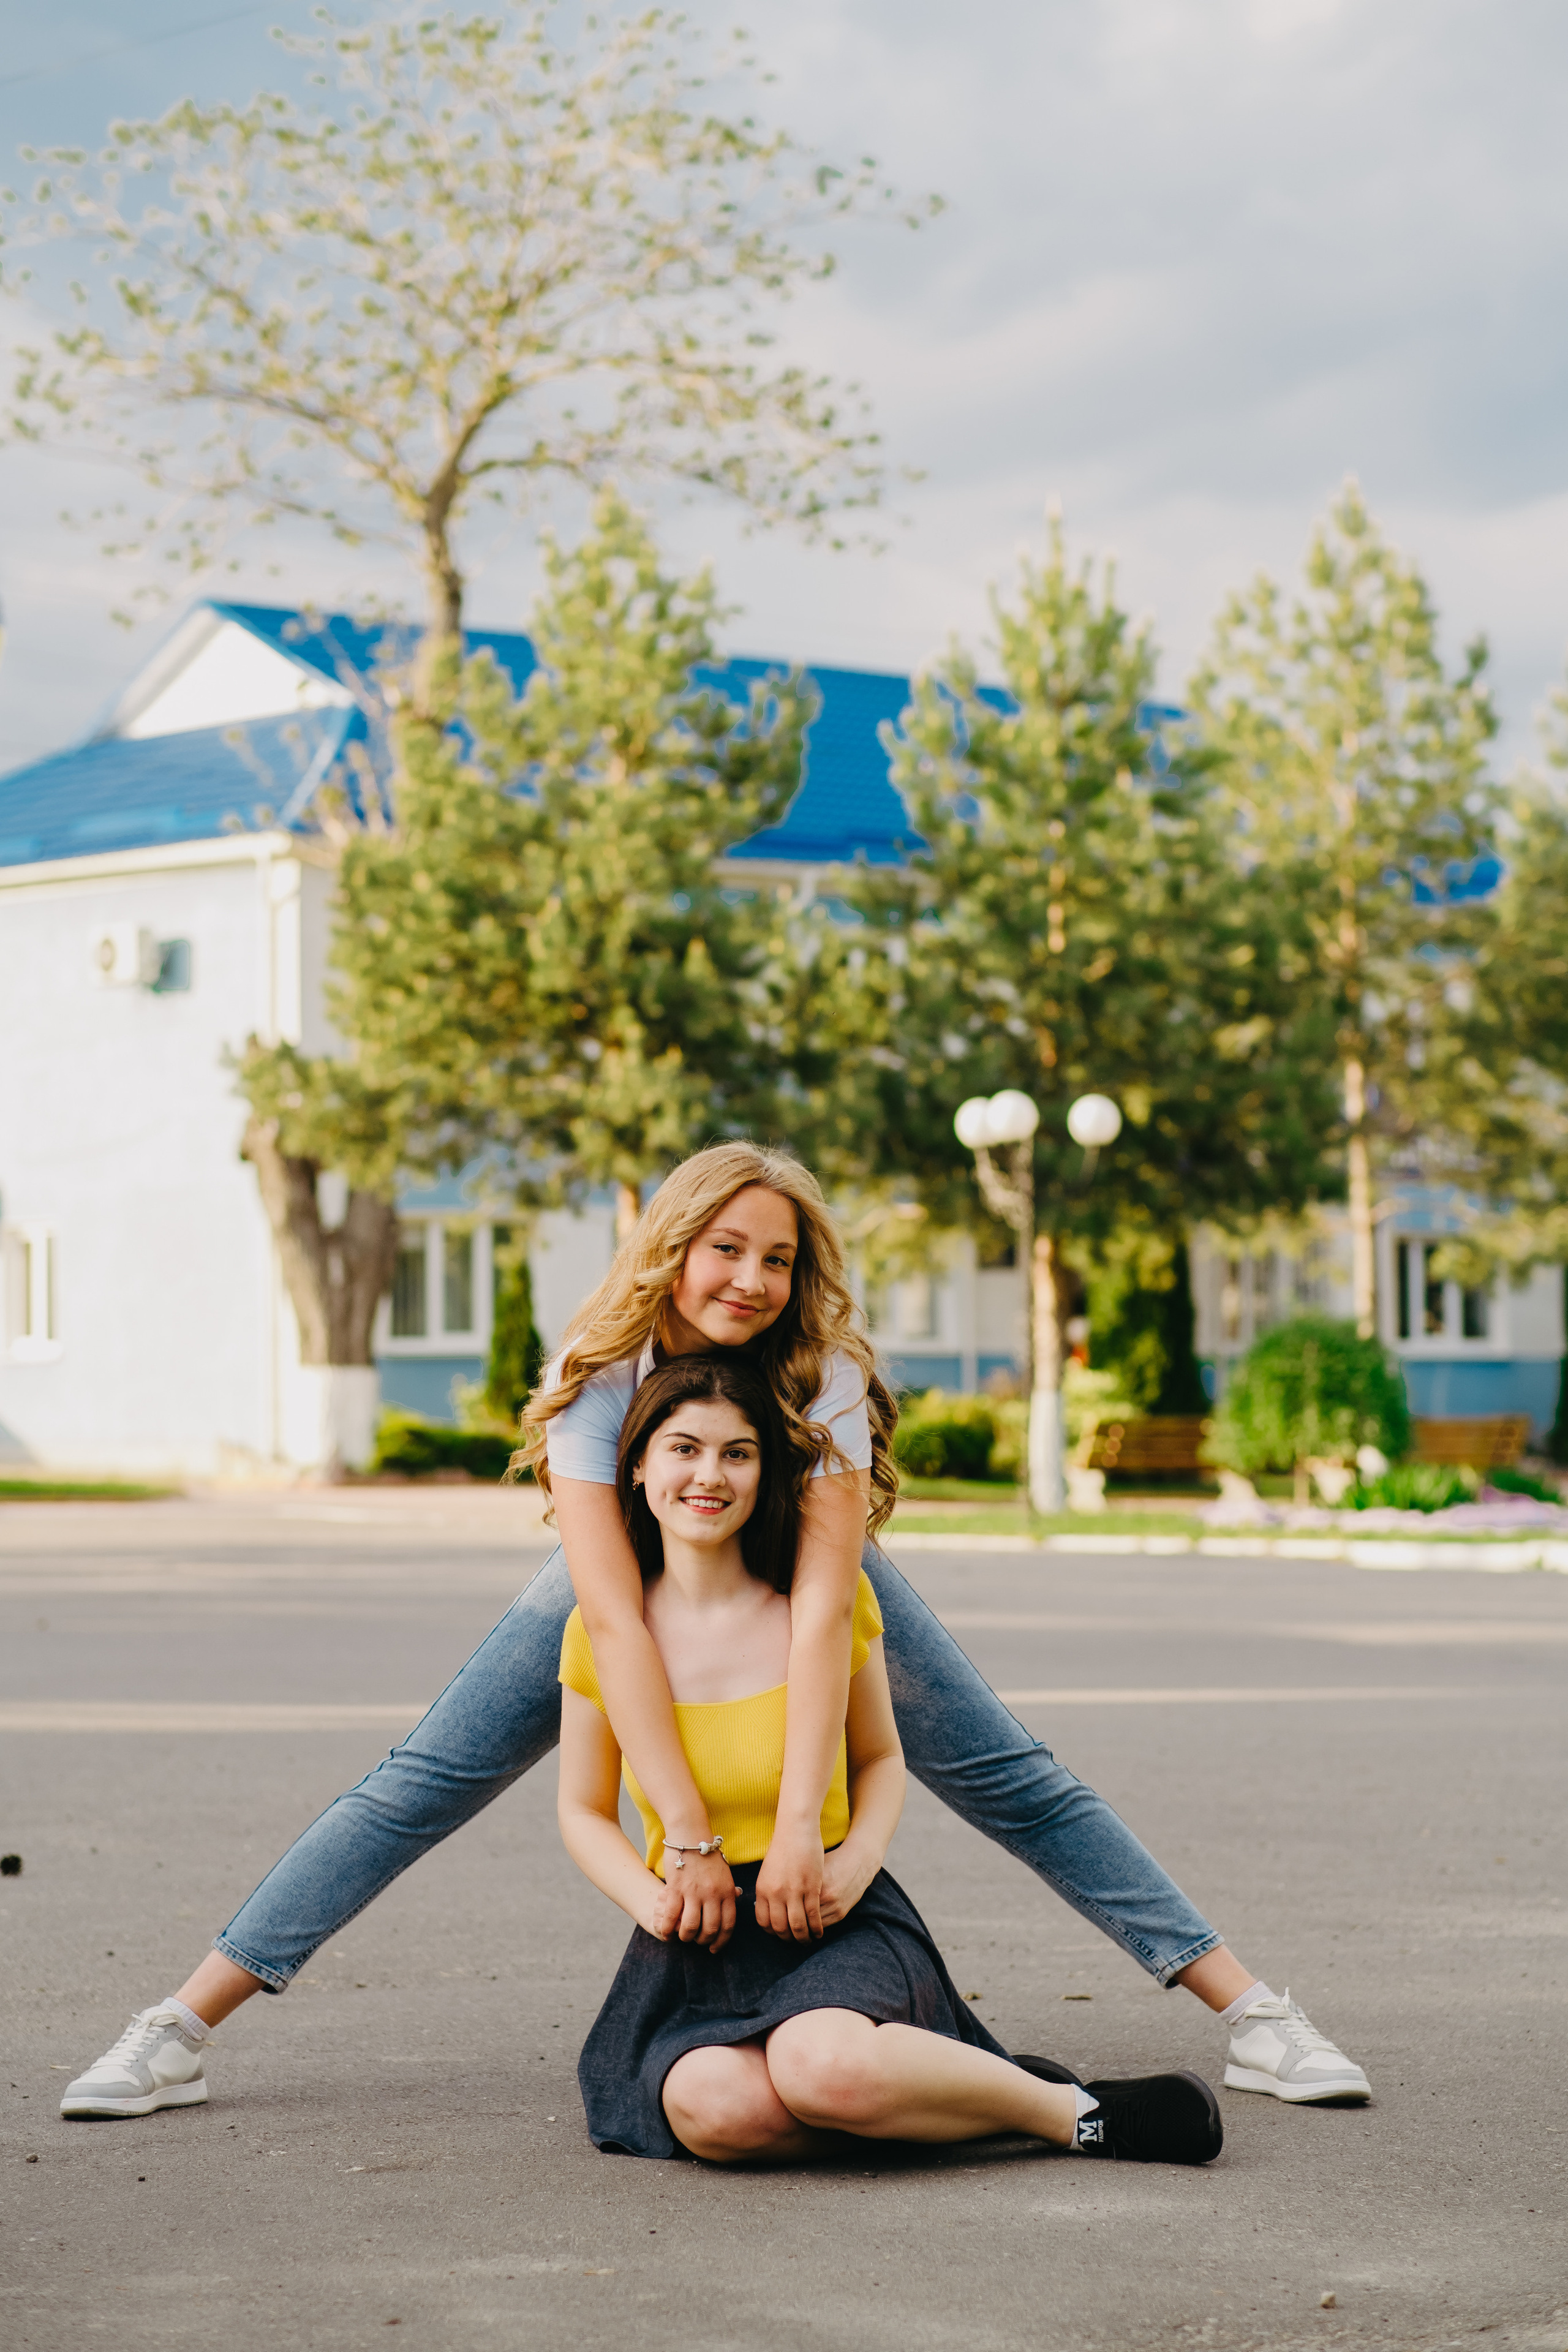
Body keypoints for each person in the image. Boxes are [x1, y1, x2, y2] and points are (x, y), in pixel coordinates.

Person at [60, 1142, 1370, 2121]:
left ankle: (1250, 2013)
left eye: (778, 1256)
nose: (750, 1279)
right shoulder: (601, 1369)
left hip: (796, 1575)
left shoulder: (826, 1374)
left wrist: (803, 1825)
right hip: (632, 1584)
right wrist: (685, 1829)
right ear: (674, 1247)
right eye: (725, 1248)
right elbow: (612, 1616)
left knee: (1008, 1775)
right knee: (419, 1785)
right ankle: (177, 2026)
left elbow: (818, 1614)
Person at [558, 1352, 1223, 2165]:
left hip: (834, 1917)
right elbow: (583, 1810)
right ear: (635, 1465)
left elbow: (879, 1760)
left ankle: (1071, 2112)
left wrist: (856, 1862)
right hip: (700, 1937)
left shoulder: (819, 1611)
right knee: (716, 2111)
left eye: (739, 1453)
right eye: (684, 1448)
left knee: (819, 2064)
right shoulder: (603, 1634)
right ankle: (931, 2094)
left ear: (767, 1473)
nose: (711, 1475)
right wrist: (650, 1899)